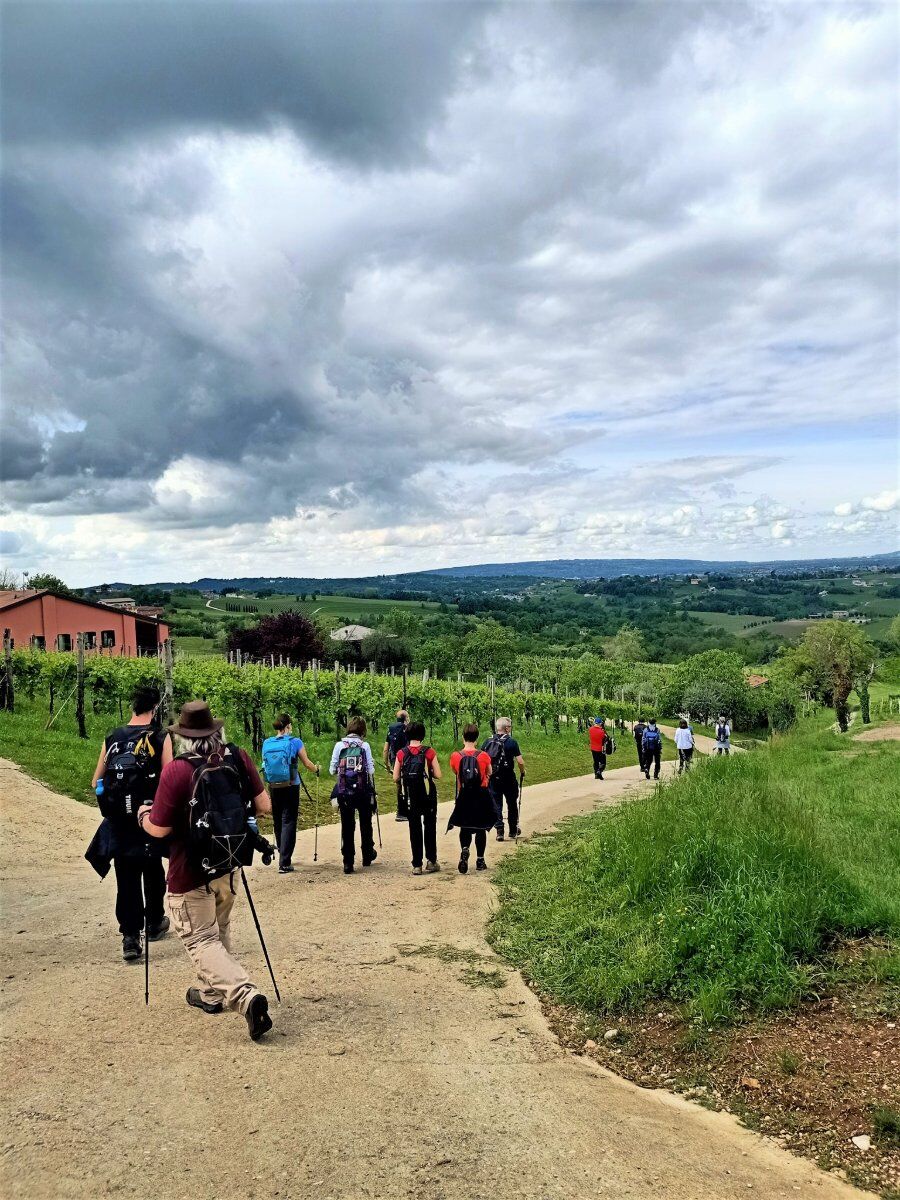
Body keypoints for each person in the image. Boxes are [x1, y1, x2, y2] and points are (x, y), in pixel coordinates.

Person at [137, 700, 274, 1041]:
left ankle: (245, 995)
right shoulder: (237, 757)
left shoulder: (177, 770)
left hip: (189, 870)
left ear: (183, 737)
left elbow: (159, 829)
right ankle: (211, 993)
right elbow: (265, 806)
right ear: (216, 731)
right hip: (228, 863)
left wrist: (142, 815)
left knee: (201, 939)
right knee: (219, 927)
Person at [90, 685, 173, 962]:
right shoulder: (160, 737)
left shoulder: (112, 737)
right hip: (148, 816)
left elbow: (95, 781)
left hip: (119, 821)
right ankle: (154, 922)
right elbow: (169, 780)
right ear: (154, 709)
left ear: (132, 708)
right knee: (152, 868)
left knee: (125, 876)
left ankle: (129, 936)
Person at [260, 714, 319, 874]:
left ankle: (282, 853)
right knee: (289, 820)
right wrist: (317, 769)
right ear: (288, 726)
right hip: (291, 785)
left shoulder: (267, 743)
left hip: (273, 785)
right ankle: (285, 862)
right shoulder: (295, 742)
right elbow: (307, 763)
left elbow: (264, 764)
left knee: (278, 820)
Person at [393, 721, 442, 875]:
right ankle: (431, 861)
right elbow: (439, 775)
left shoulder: (401, 753)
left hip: (410, 795)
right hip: (427, 794)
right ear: (422, 735)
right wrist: (429, 773)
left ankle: (416, 865)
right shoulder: (429, 752)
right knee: (429, 826)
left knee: (414, 827)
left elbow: (395, 778)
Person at [330, 716, 377, 874]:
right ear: (363, 730)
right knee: (365, 822)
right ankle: (367, 854)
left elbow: (332, 770)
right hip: (362, 791)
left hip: (344, 791)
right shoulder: (365, 746)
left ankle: (348, 862)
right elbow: (370, 771)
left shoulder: (339, 745)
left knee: (347, 825)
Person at [448, 725, 496, 874]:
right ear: (477, 739)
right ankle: (480, 860)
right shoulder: (483, 755)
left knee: (465, 826)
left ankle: (465, 849)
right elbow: (490, 772)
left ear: (463, 737)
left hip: (464, 795)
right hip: (481, 794)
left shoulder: (456, 756)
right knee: (480, 828)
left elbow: (456, 772)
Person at [482, 717, 525, 841]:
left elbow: (482, 759)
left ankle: (499, 831)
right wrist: (523, 772)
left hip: (493, 778)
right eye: (510, 727)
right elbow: (520, 762)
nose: (510, 729)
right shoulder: (512, 742)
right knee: (511, 803)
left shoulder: (487, 741)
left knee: (496, 804)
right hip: (508, 778)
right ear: (506, 728)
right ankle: (513, 830)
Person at [383, 709, 410, 822]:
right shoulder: (408, 729)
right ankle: (408, 810)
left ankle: (400, 812)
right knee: (408, 783)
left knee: (398, 785)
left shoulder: (391, 729)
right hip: (407, 759)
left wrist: (387, 764)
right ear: (405, 718)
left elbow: (385, 749)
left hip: (395, 760)